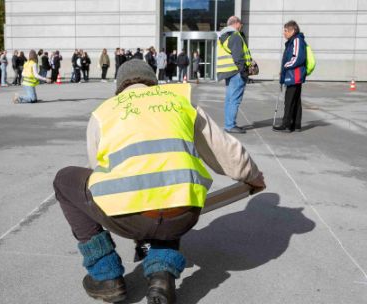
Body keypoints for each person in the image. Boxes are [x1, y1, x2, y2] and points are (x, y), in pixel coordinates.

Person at [53, 59, 266, 304]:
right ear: (154, 83)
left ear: (119, 87)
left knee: (64, 180)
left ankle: (106, 276)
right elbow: (224, 151)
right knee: (170, 185)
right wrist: (252, 176)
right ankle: (161, 277)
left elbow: (97, 171)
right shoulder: (180, 101)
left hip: (125, 216)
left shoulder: (105, 112)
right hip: (182, 214)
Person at [216, 16, 252, 134]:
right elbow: (238, 56)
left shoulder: (224, 36)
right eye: (241, 24)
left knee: (230, 99)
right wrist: (244, 71)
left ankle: (229, 124)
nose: (241, 26)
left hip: (229, 71)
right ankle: (230, 125)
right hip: (237, 72)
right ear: (236, 23)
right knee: (234, 99)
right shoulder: (235, 36)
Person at [274, 20, 307, 133]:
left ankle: (286, 124)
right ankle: (296, 124)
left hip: (294, 74)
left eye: (286, 31)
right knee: (296, 100)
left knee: (289, 100)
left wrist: (285, 66)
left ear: (293, 30)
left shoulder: (297, 40)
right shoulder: (293, 40)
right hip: (294, 74)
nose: (284, 33)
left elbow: (297, 58)